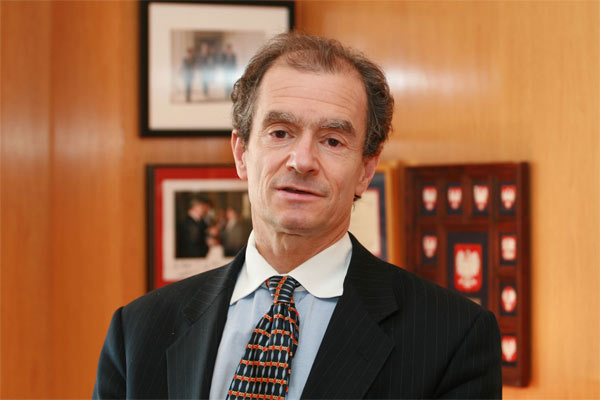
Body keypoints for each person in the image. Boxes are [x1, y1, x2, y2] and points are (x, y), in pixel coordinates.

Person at [93, 32, 502, 399]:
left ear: (365, 169)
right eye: (280, 133)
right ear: (241, 153)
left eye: (332, 140)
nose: (302, 161)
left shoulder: (452, 337)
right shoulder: (138, 331)